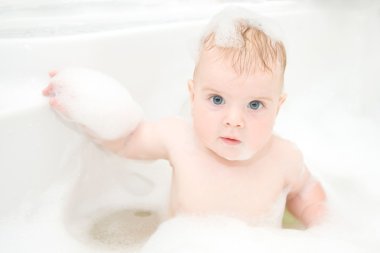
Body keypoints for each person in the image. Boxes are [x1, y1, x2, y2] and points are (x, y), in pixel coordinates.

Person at [42, 7, 326, 228]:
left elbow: (306, 195)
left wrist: (321, 230)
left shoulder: (285, 158)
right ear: (192, 96)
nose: (234, 120)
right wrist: (82, 102)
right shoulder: (177, 138)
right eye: (217, 100)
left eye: (255, 105)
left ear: (278, 106)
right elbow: (127, 141)